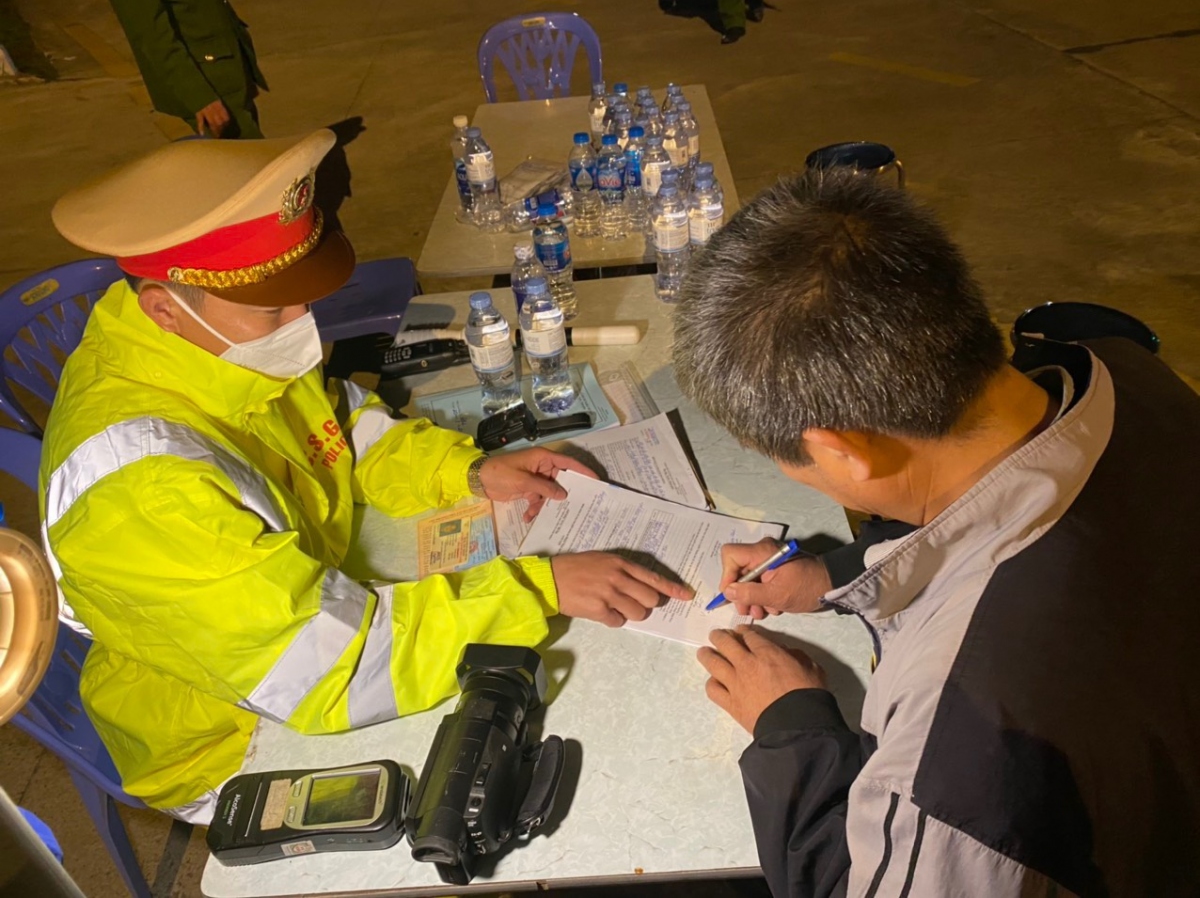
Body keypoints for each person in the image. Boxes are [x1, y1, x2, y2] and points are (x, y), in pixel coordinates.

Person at [42, 130, 689, 824]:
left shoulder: (213, 351)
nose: (305, 326)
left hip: (304, 622)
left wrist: (466, 472)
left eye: (302, 298)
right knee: (563, 771)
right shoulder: (136, 495)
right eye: (274, 309)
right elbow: (334, 669)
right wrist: (541, 585)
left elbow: (341, 428)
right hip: (233, 738)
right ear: (166, 308)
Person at [672, 170, 1200, 896]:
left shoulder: (960, 754)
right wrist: (832, 573)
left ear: (841, 453)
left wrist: (791, 725)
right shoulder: (1122, 372)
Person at [108, 0, 267, 138]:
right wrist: (200, 97)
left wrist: (244, 65)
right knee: (254, 165)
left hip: (228, 68)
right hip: (205, 82)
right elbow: (153, 38)